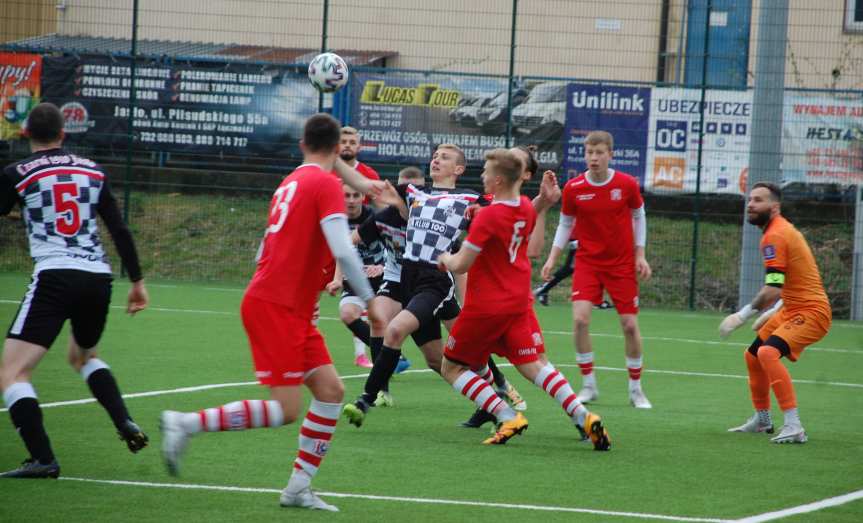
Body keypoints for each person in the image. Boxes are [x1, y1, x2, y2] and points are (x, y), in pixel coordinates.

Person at [159, 114, 381, 512]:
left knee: (331, 391)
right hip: (277, 306)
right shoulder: (325, 183)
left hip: (286, 305)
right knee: (285, 409)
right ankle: (184, 424)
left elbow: (265, 249)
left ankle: (297, 489)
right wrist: (371, 303)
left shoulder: (290, 182)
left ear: (301, 144)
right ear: (337, 150)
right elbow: (343, 248)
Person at [0, 102, 149, 478]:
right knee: (83, 356)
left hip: (55, 275)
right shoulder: (94, 172)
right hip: (97, 278)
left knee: (12, 373)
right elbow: (119, 229)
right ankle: (124, 421)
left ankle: (43, 459)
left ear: (26, 135)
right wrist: (137, 281)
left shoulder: (16, 172)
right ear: (64, 135)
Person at [437, 148, 610, 450]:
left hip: (486, 305)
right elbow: (529, 213)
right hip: (517, 302)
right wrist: (545, 200)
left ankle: (506, 415)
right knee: (531, 363)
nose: (483, 176)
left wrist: (446, 259)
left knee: (451, 367)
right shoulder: (525, 210)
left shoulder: (489, 216)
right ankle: (582, 415)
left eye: (486, 172)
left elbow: (462, 264)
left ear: (499, 180)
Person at [342, 144, 481, 427]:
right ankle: (490, 401)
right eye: (435, 156)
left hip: (436, 281)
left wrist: (536, 200)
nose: (436, 159)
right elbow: (363, 183)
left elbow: (508, 207)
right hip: (409, 282)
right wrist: (332, 158)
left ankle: (366, 399)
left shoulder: (470, 199)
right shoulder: (415, 193)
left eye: (445, 157)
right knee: (436, 360)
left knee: (396, 330)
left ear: (459, 169)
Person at [541, 131, 653, 409]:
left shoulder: (626, 184)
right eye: (589, 152)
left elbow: (639, 216)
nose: (593, 158)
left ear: (610, 155)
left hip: (621, 264)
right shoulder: (574, 187)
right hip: (588, 263)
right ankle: (588, 385)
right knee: (580, 320)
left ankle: (636, 390)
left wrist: (640, 254)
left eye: (599, 152)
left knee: (629, 325)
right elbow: (565, 223)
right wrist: (552, 258)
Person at [720, 182, 831, 444]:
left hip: (812, 312)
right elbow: (791, 280)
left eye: (758, 200)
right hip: (792, 307)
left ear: (774, 207)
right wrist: (776, 309)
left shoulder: (776, 235)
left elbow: (773, 287)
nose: (751, 204)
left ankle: (794, 425)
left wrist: (741, 316)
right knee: (752, 355)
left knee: (767, 353)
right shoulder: (777, 231)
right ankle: (763, 420)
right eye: (749, 200)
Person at [326, 183, 387, 369]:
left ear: (363, 197)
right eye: (346, 196)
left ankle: (387, 357)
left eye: (355, 195)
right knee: (347, 313)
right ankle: (388, 356)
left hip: (383, 278)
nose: (351, 200)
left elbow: (395, 245)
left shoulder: (376, 217)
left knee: (385, 323)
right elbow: (342, 251)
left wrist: (382, 266)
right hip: (355, 277)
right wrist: (337, 279)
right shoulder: (336, 220)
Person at [340, 126, 381, 206]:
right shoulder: (325, 172)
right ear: (336, 146)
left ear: (359, 147)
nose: (347, 145)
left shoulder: (370, 175)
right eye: (343, 142)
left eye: (352, 143)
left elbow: (381, 207)